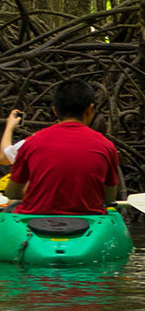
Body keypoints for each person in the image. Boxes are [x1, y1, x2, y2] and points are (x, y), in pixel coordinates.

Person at [5, 80, 122, 216]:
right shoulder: (107, 146)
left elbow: (12, 193)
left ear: (54, 110)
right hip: (89, 219)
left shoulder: (31, 142)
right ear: (89, 109)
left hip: (36, 219)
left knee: (11, 204)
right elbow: (109, 198)